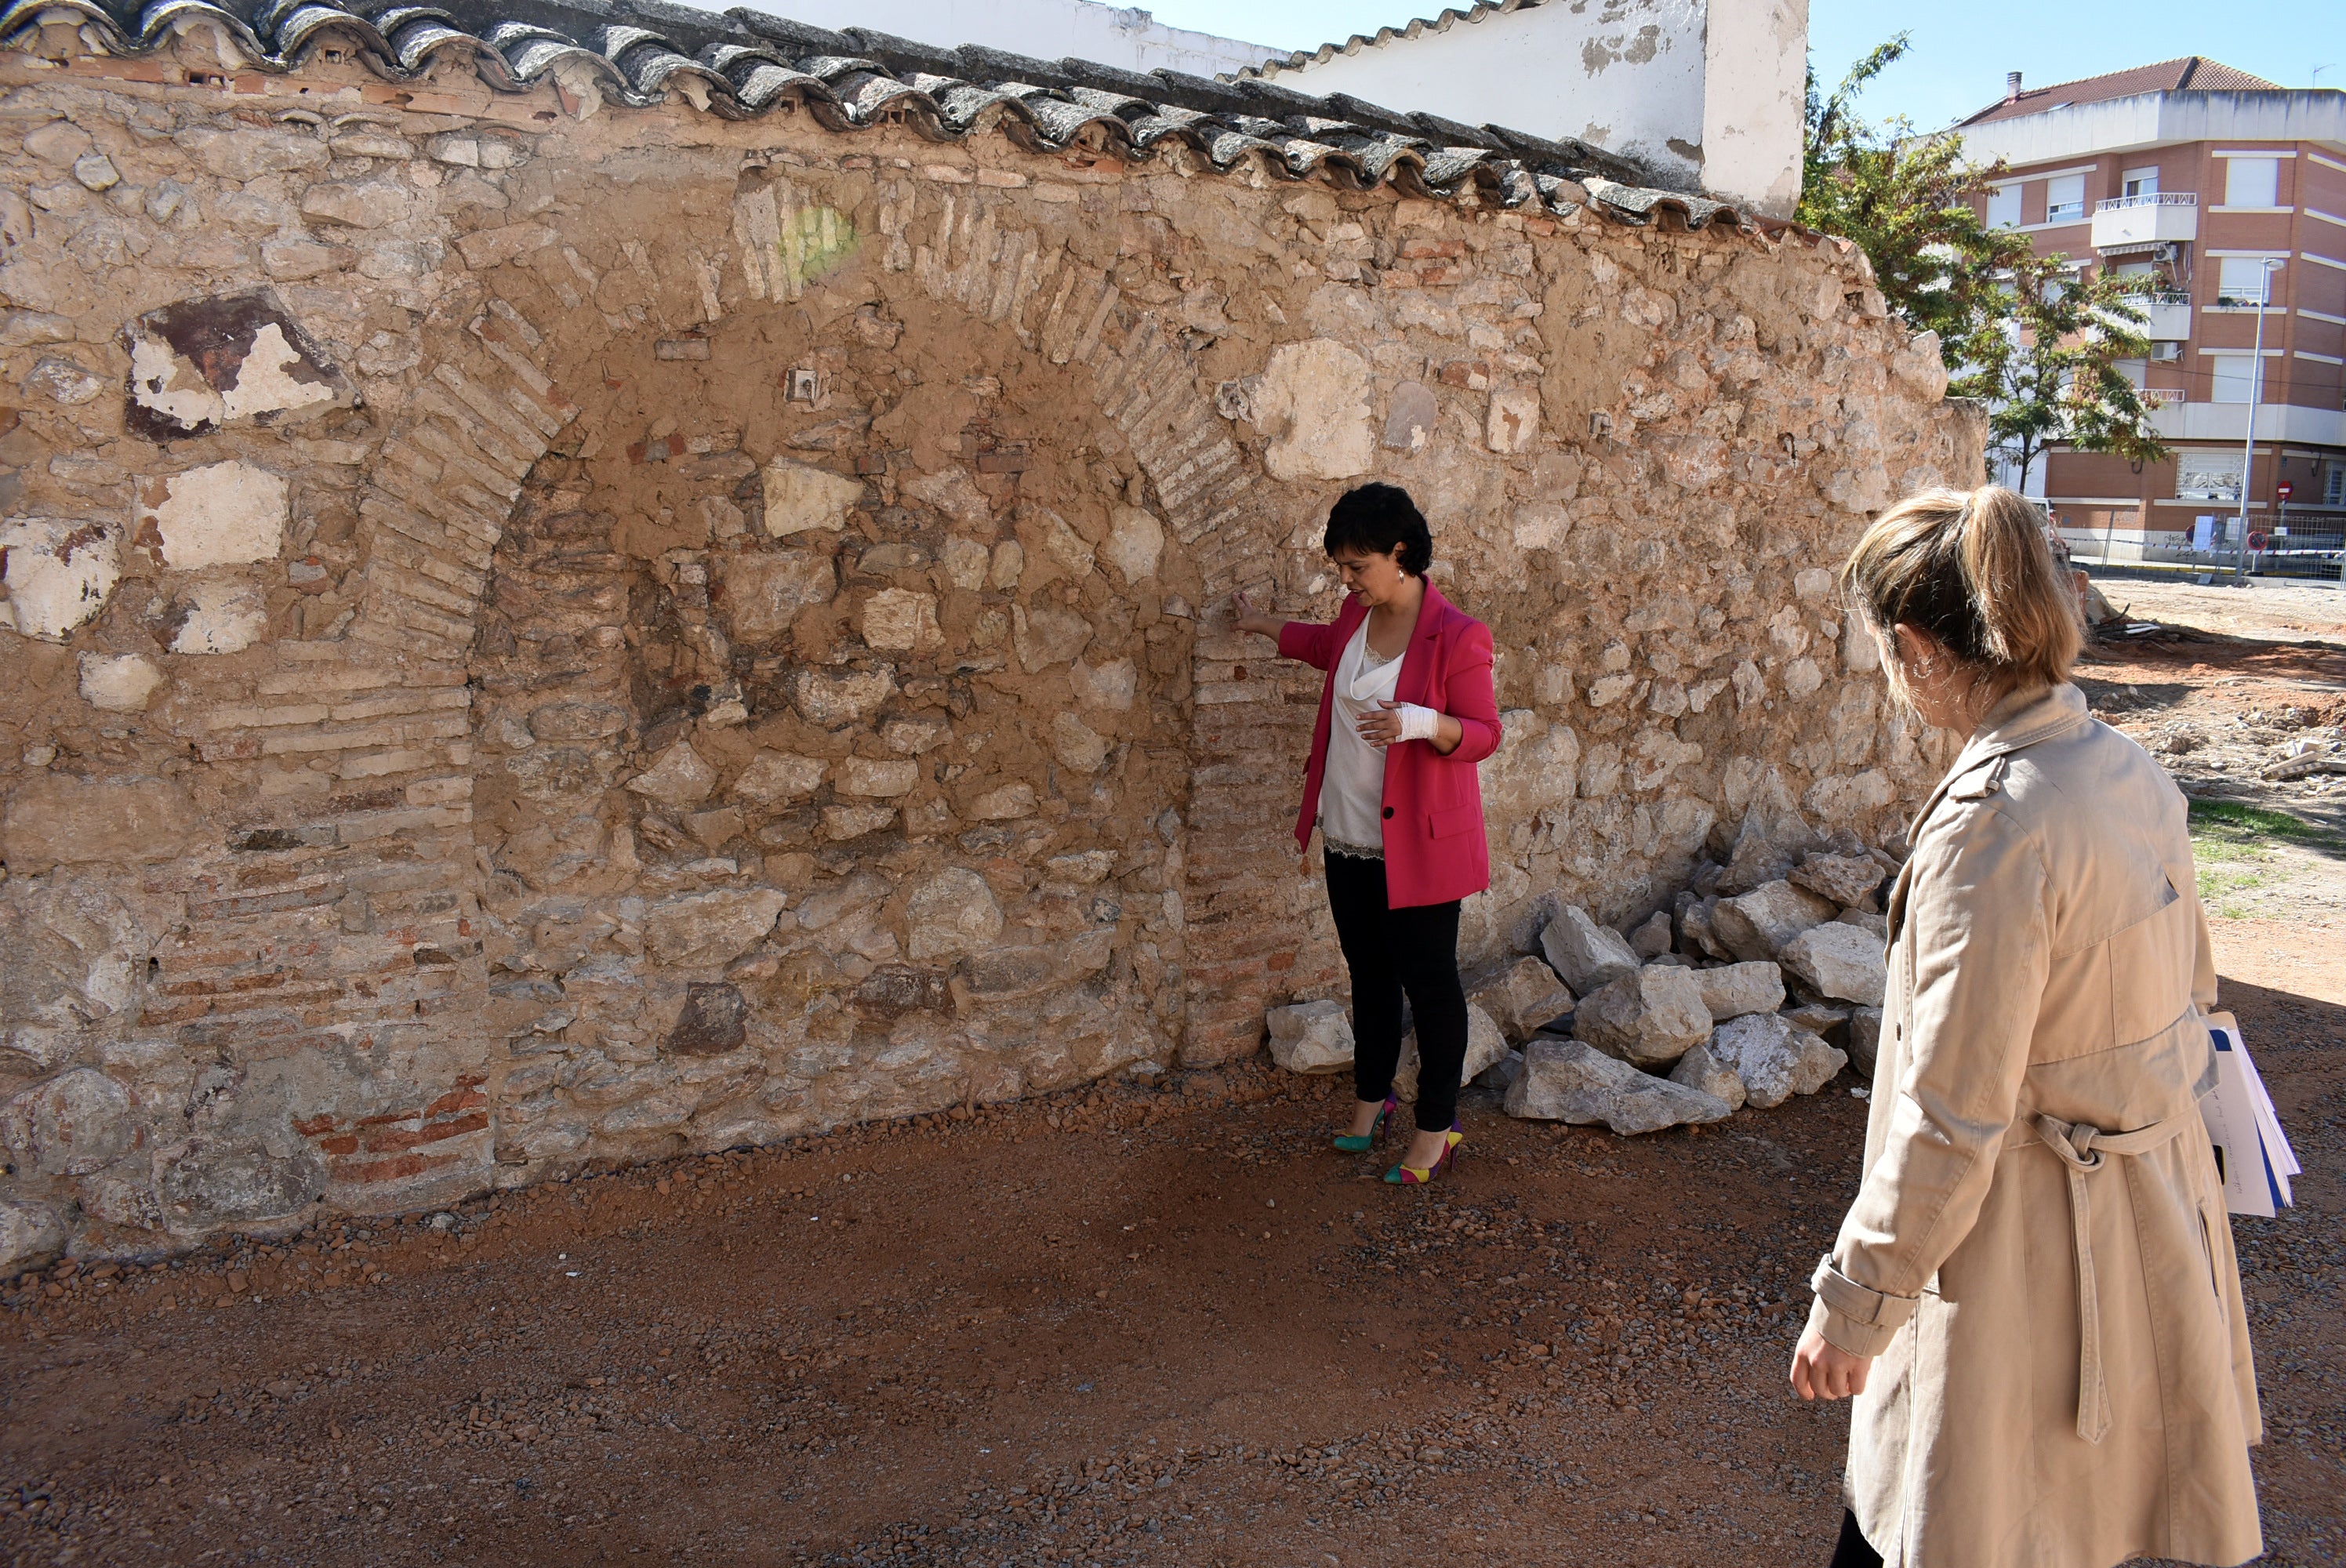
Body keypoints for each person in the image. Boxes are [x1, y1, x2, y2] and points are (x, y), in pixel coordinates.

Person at [1791, 485, 2262, 1568]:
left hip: (2026, 1264)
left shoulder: (1994, 825)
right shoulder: (2123, 767)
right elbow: (2194, 999)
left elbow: (1953, 1112)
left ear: (1915, 647)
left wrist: (1855, 1301)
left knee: (1952, 1520)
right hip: (2143, 1230)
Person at [1230, 484, 1502, 1185]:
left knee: (1431, 985)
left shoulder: (1459, 635)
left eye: (1357, 567)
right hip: (1347, 829)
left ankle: (1437, 1128)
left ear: (1400, 553)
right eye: (1342, 568)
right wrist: (1261, 625)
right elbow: (1326, 647)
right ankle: (1371, 1097)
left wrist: (1420, 723)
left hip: (1421, 846)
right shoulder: (1357, 612)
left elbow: (1485, 734)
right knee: (1369, 974)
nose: (1346, 581)